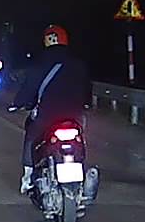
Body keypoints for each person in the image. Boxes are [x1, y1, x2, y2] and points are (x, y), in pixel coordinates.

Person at [10, 24, 93, 194]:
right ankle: (81, 170)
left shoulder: (40, 64)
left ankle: (28, 177)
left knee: (31, 137)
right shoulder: (78, 64)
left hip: (47, 115)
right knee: (79, 139)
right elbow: (87, 89)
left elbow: (29, 89)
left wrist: (18, 103)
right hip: (74, 116)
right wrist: (86, 104)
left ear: (47, 41)